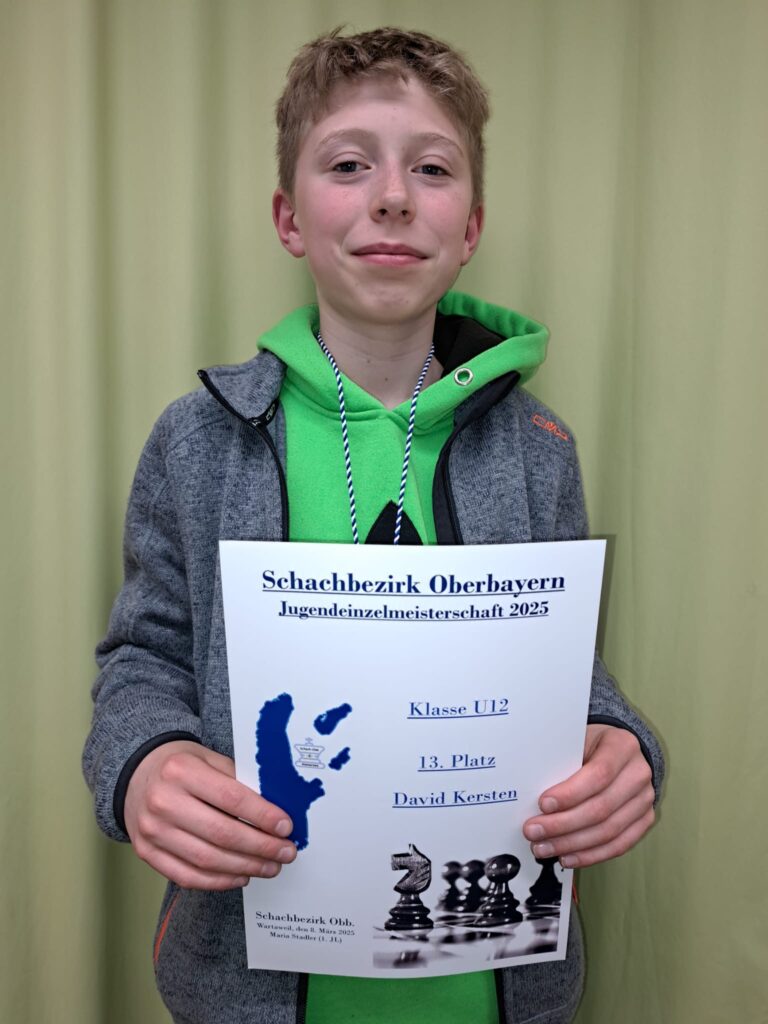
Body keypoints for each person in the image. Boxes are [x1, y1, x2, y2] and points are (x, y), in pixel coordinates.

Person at [83, 26, 663, 1024]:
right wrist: (143, 763)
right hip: (247, 986)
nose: (392, 195)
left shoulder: (540, 448)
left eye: (431, 168)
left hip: (495, 986)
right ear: (289, 217)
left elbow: (564, 676)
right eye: (349, 164)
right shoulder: (197, 440)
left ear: (471, 226)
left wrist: (619, 741)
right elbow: (144, 656)